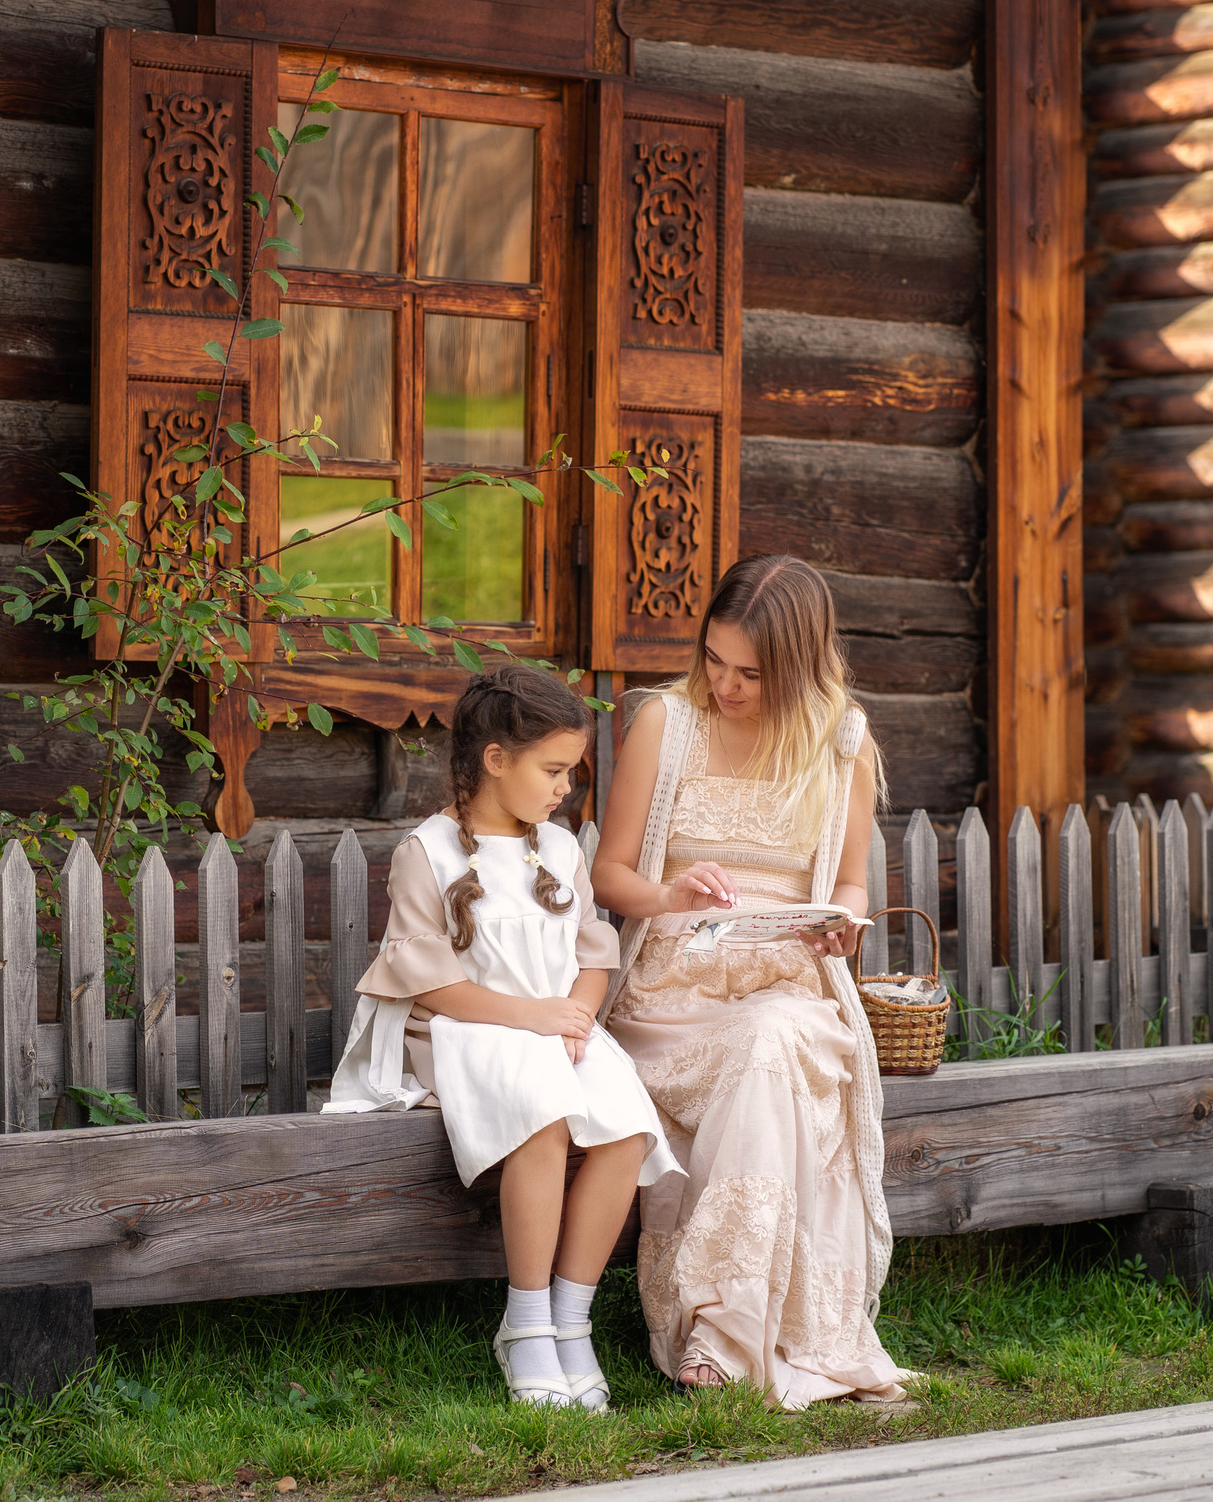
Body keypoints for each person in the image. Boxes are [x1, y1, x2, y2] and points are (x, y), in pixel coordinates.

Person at [591, 553, 912, 1410]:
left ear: (799, 669)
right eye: (715, 660)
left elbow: (851, 883)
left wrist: (841, 922)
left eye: (751, 673)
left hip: (786, 985)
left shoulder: (841, 741)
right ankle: (726, 1330)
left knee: (770, 1043)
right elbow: (609, 873)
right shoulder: (665, 723)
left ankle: (721, 1335)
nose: (725, 685)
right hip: (672, 997)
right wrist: (670, 894)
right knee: (760, 1058)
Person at [328, 666, 679, 1411]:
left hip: (554, 1029)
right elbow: (427, 982)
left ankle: (571, 1318)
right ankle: (525, 1324)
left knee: (627, 1124)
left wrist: (577, 1014)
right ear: (495, 759)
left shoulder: (560, 849)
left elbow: (591, 953)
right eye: (552, 770)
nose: (564, 789)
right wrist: (535, 1019)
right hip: (467, 1029)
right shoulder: (429, 851)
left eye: (570, 772)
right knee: (542, 1113)